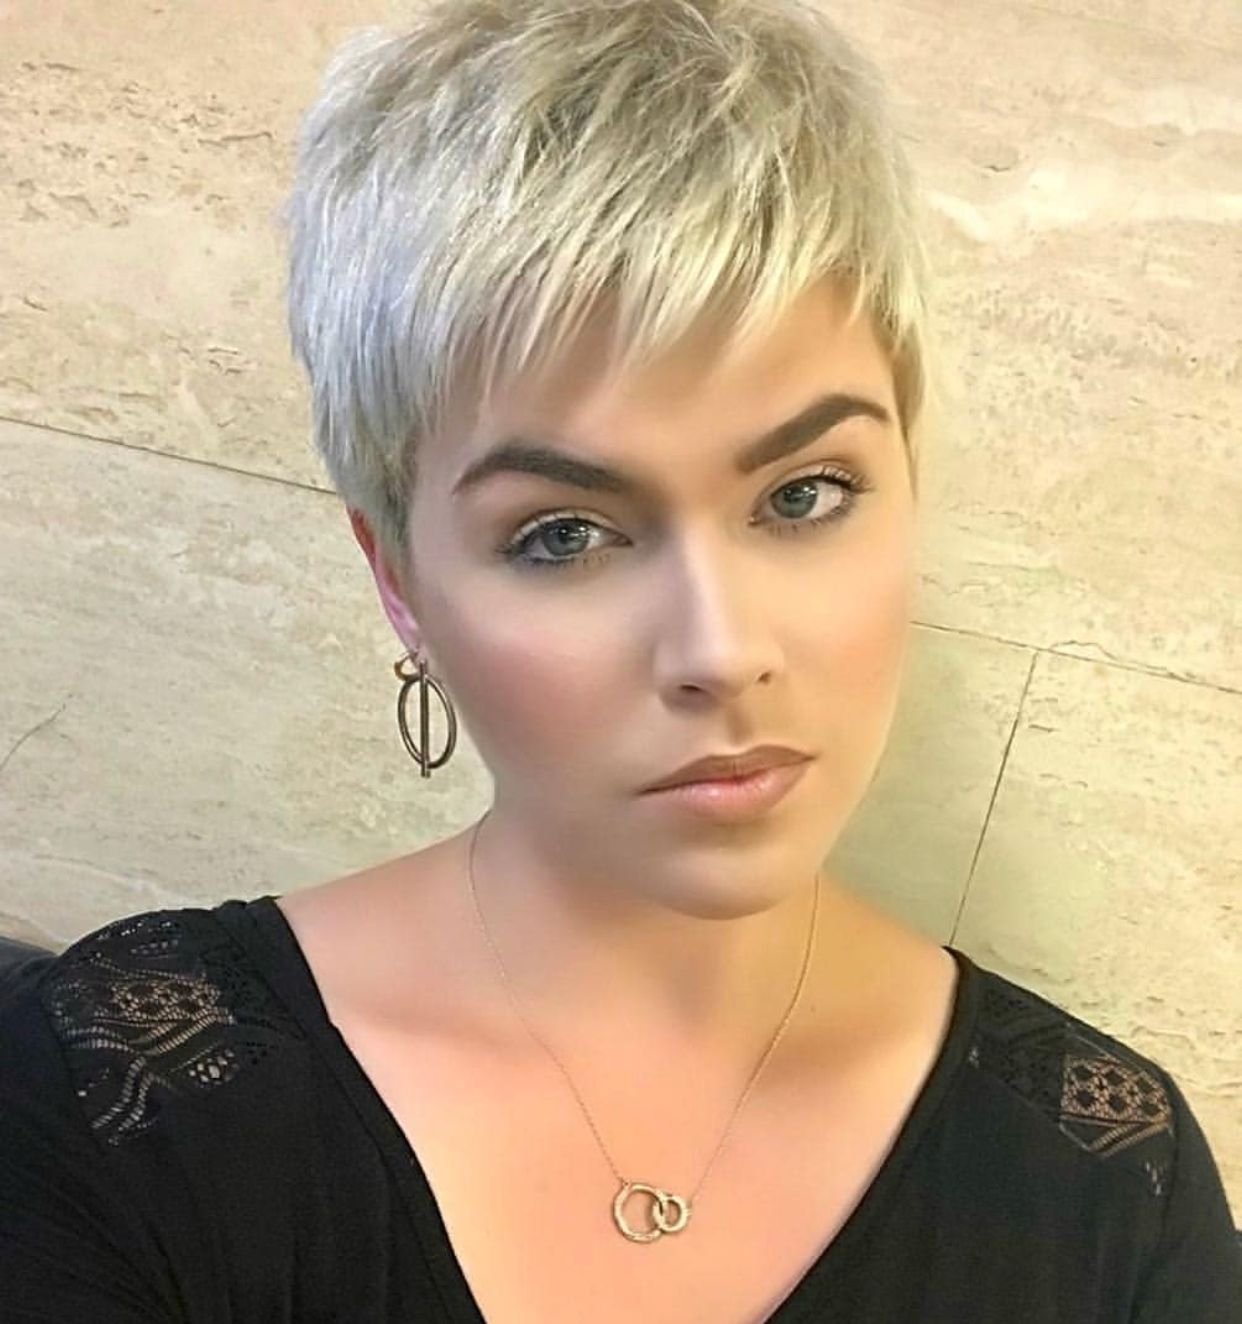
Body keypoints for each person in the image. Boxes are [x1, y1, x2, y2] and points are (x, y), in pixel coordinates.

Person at [1, 1, 1239, 1320]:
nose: (722, 651)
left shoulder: (1110, 1188)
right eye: (564, 534)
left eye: (804, 494)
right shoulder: (114, 1101)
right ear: (399, 582)